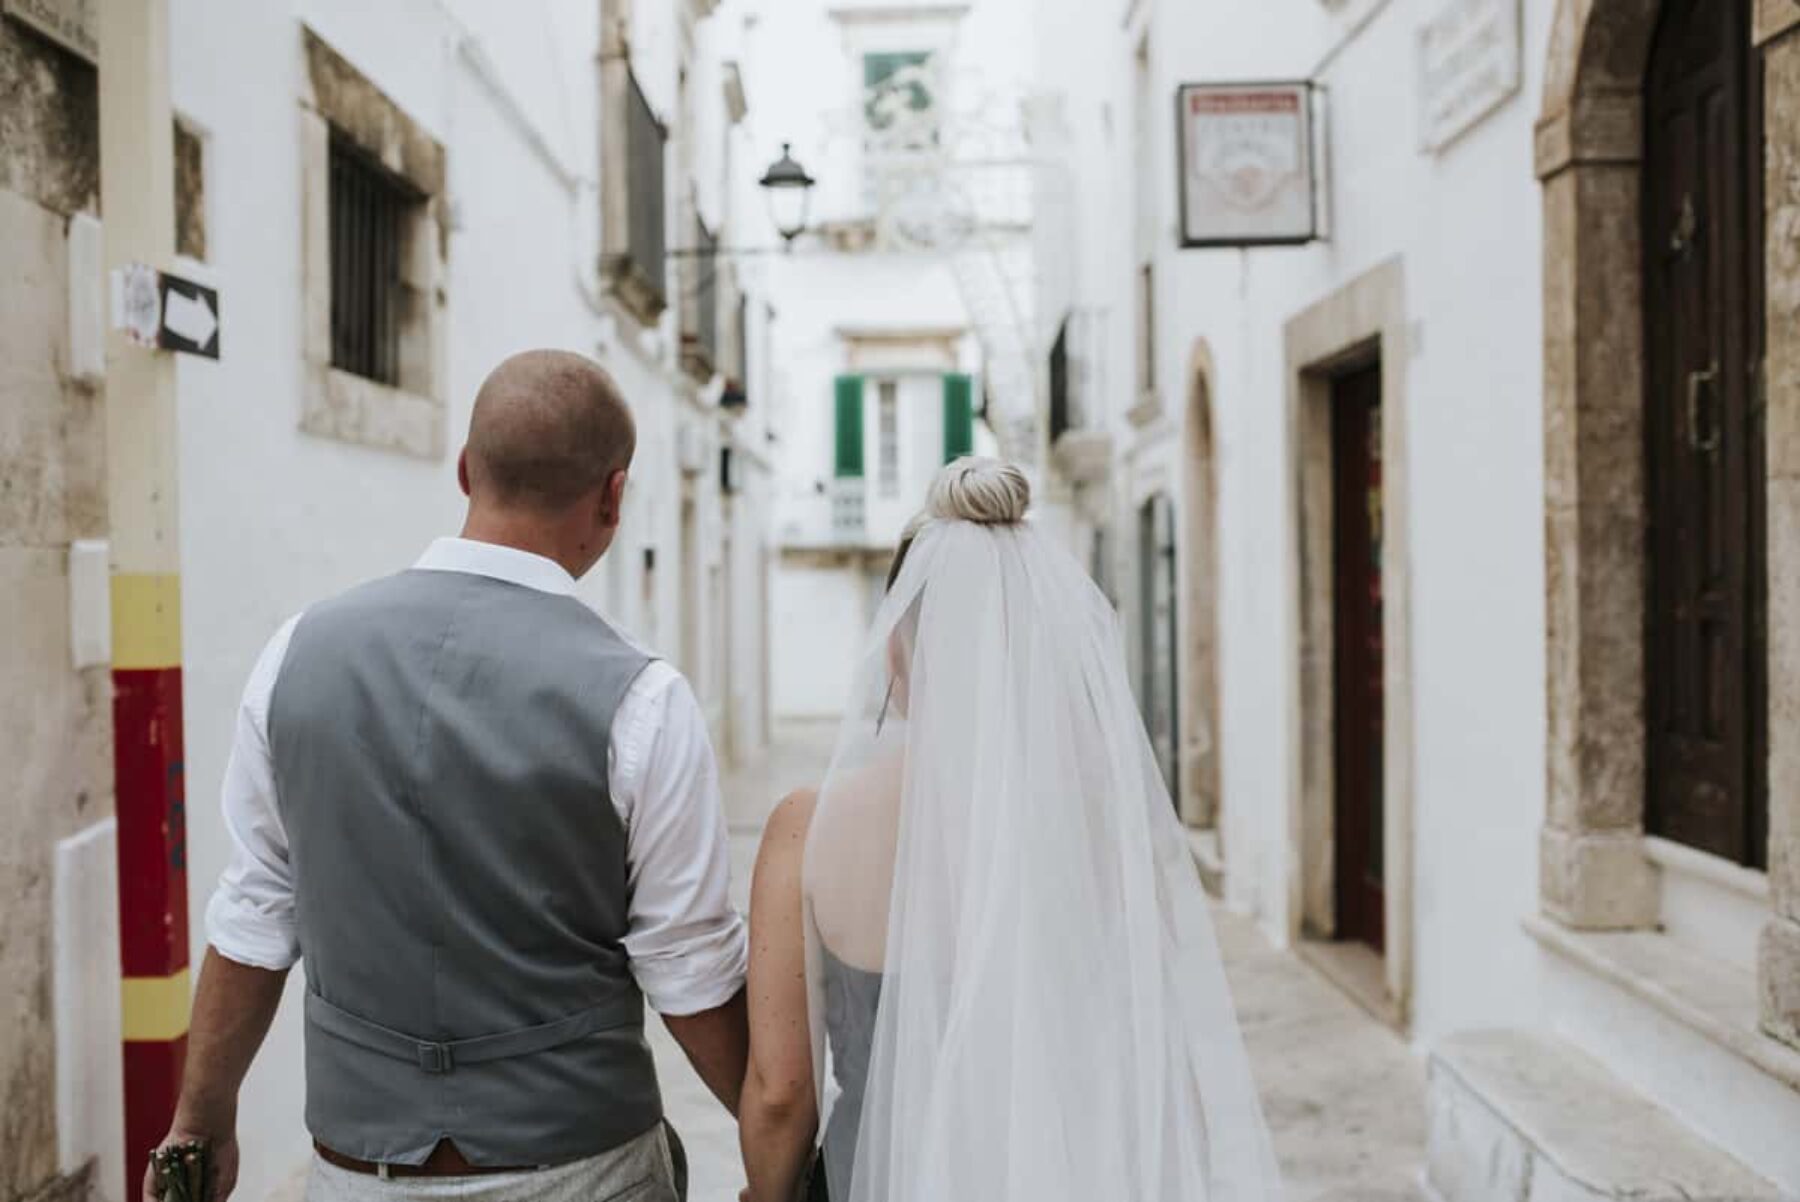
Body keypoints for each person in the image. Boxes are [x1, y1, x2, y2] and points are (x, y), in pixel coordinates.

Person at [147, 350, 749, 1202]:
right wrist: (782, 1135)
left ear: (466, 471)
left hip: (358, 1173)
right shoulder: (642, 698)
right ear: (614, 496)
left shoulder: (295, 656)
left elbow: (254, 914)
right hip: (582, 1169)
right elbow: (689, 970)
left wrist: (199, 1125)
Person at [739, 458, 1283, 1202]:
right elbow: (1153, 1050)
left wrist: (767, 1195)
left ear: (897, 642)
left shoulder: (806, 828)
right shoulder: (1100, 817)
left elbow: (780, 1093)